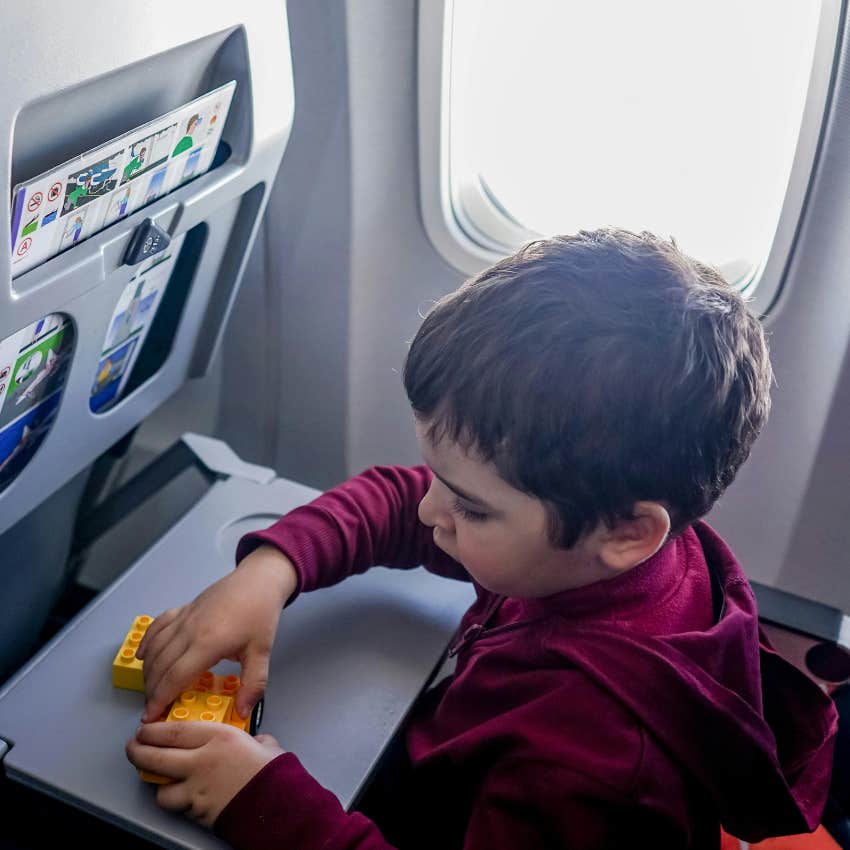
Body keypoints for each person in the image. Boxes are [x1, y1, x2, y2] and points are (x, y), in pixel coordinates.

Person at [126, 229, 838, 849]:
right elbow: (402, 500)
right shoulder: (608, 556)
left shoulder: (589, 768)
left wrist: (261, 800)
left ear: (626, 531)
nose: (432, 510)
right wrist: (268, 574)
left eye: (470, 507)